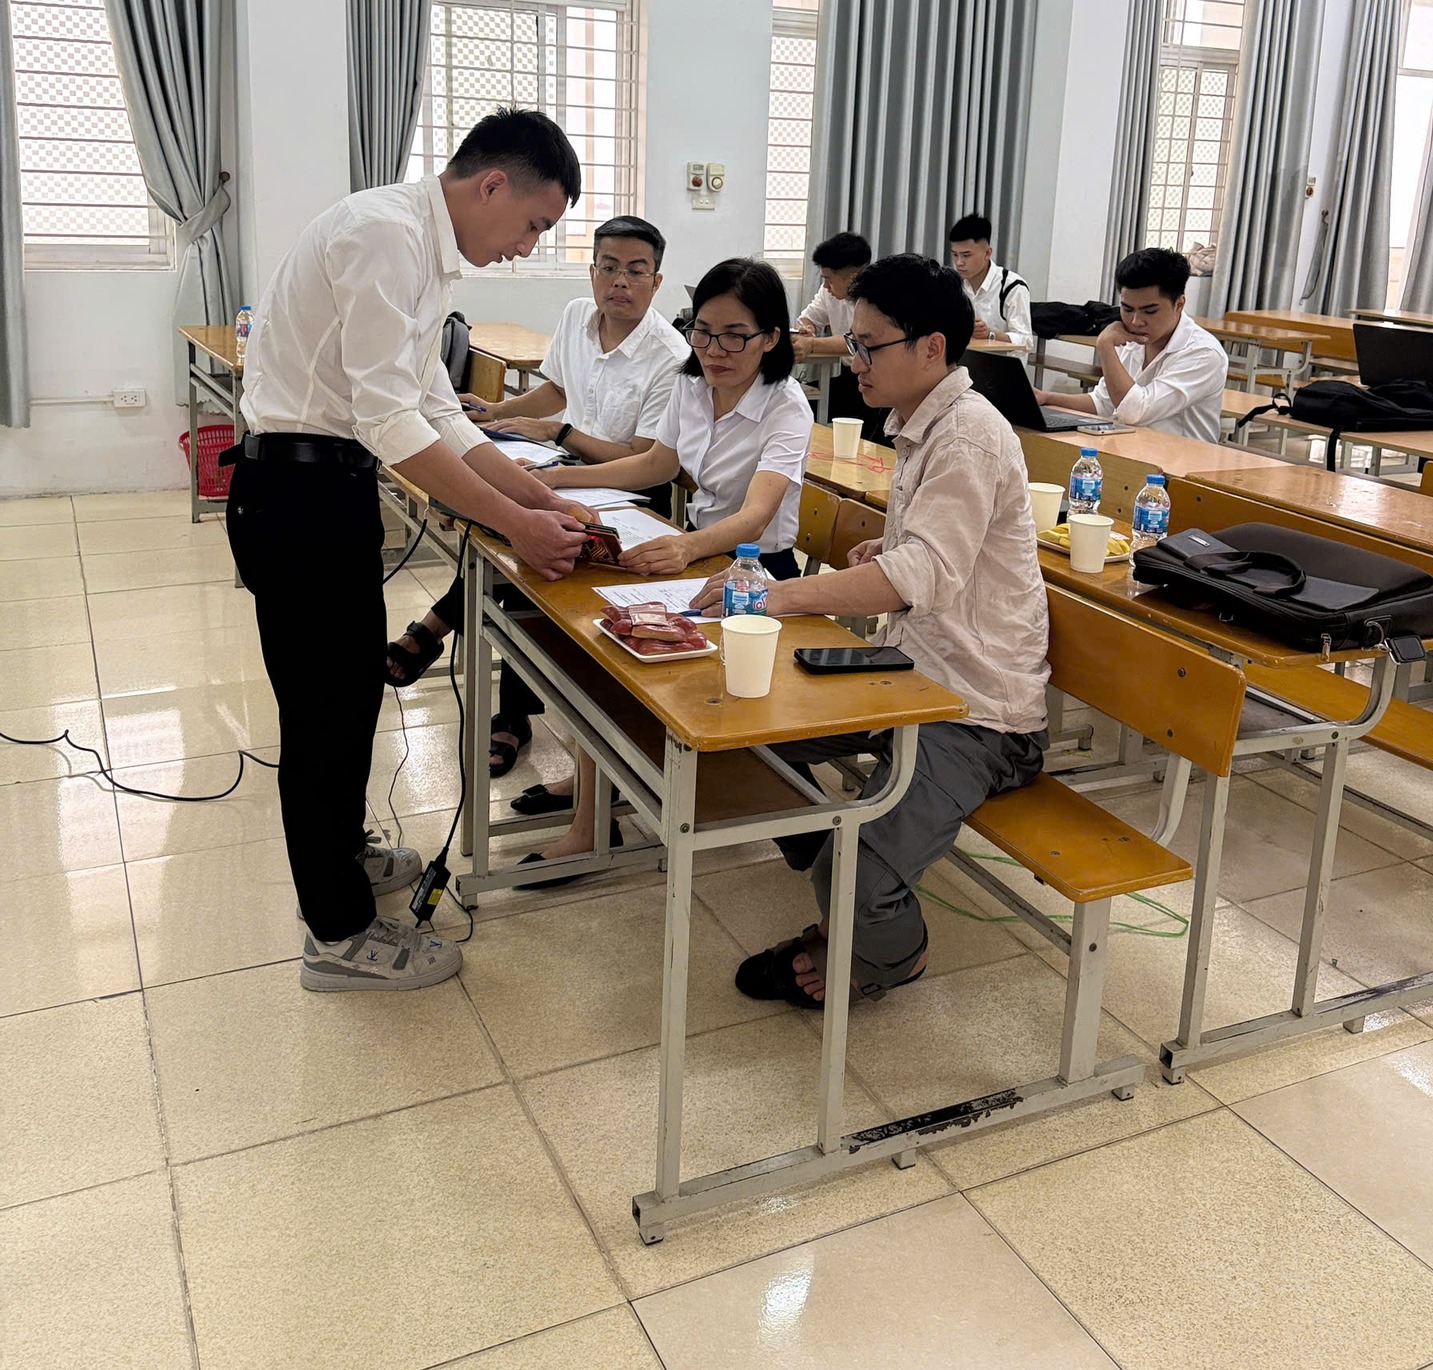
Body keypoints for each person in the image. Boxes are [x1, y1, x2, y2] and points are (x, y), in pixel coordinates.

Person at [228, 108, 593, 992]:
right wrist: (513, 525)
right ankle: (337, 935)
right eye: (533, 224)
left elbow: (435, 411)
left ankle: (342, 851)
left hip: (329, 491)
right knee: (322, 717)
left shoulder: (423, 254)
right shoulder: (383, 235)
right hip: (297, 496)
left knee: (350, 697)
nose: (526, 247)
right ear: (492, 185)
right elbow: (391, 422)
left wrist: (538, 498)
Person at [700, 253, 1051, 1006]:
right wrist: (888, 552)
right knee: (748, 743)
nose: (851, 359)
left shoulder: (968, 436)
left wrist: (778, 596)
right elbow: (934, 558)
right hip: (908, 674)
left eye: (867, 345)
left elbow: (924, 574)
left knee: (856, 870)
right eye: (852, 342)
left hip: (976, 712)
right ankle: (841, 884)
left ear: (931, 347)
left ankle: (890, 954)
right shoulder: (924, 423)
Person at [513, 256, 814, 880]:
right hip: (697, 556)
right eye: (703, 331)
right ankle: (596, 795)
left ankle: (805, 828)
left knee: (629, 656)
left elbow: (756, 516)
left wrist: (687, 548)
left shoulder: (786, 406)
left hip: (758, 574)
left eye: (735, 336)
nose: (715, 350)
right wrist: (557, 479)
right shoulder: (692, 383)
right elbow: (656, 464)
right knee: (601, 639)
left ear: (771, 338)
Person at [385, 214, 688, 780]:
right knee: (503, 534)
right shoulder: (577, 316)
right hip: (566, 469)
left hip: (625, 490)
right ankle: (474, 673)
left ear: (657, 281)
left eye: (635, 271)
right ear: (592, 271)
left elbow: (641, 457)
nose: (620, 282)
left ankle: (475, 677)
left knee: (528, 554)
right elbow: (557, 389)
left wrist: (559, 437)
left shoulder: (669, 356)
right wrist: (497, 412)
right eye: (609, 267)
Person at [1044, 246, 1228, 442]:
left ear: (1179, 305)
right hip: (1133, 450)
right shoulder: (1134, 338)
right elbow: (1102, 403)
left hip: (1183, 459)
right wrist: (1046, 398)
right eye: (1127, 309)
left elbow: (1135, 412)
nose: (1136, 321)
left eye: (1150, 311)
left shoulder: (1204, 353)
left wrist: (1105, 346)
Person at [792, 230, 872, 422]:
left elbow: (857, 342)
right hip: (849, 375)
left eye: (829, 279)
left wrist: (812, 344)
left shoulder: (875, 297)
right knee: (799, 406)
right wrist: (806, 330)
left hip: (875, 377)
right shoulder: (828, 292)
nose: (826, 286)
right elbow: (807, 318)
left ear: (853, 277)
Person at [948, 211, 1033, 345]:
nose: (959, 262)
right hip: (965, 356)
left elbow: (1026, 341)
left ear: (987, 253)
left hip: (999, 358)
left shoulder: (1012, 287)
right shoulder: (954, 285)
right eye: (955, 255)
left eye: (966, 255)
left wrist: (990, 334)